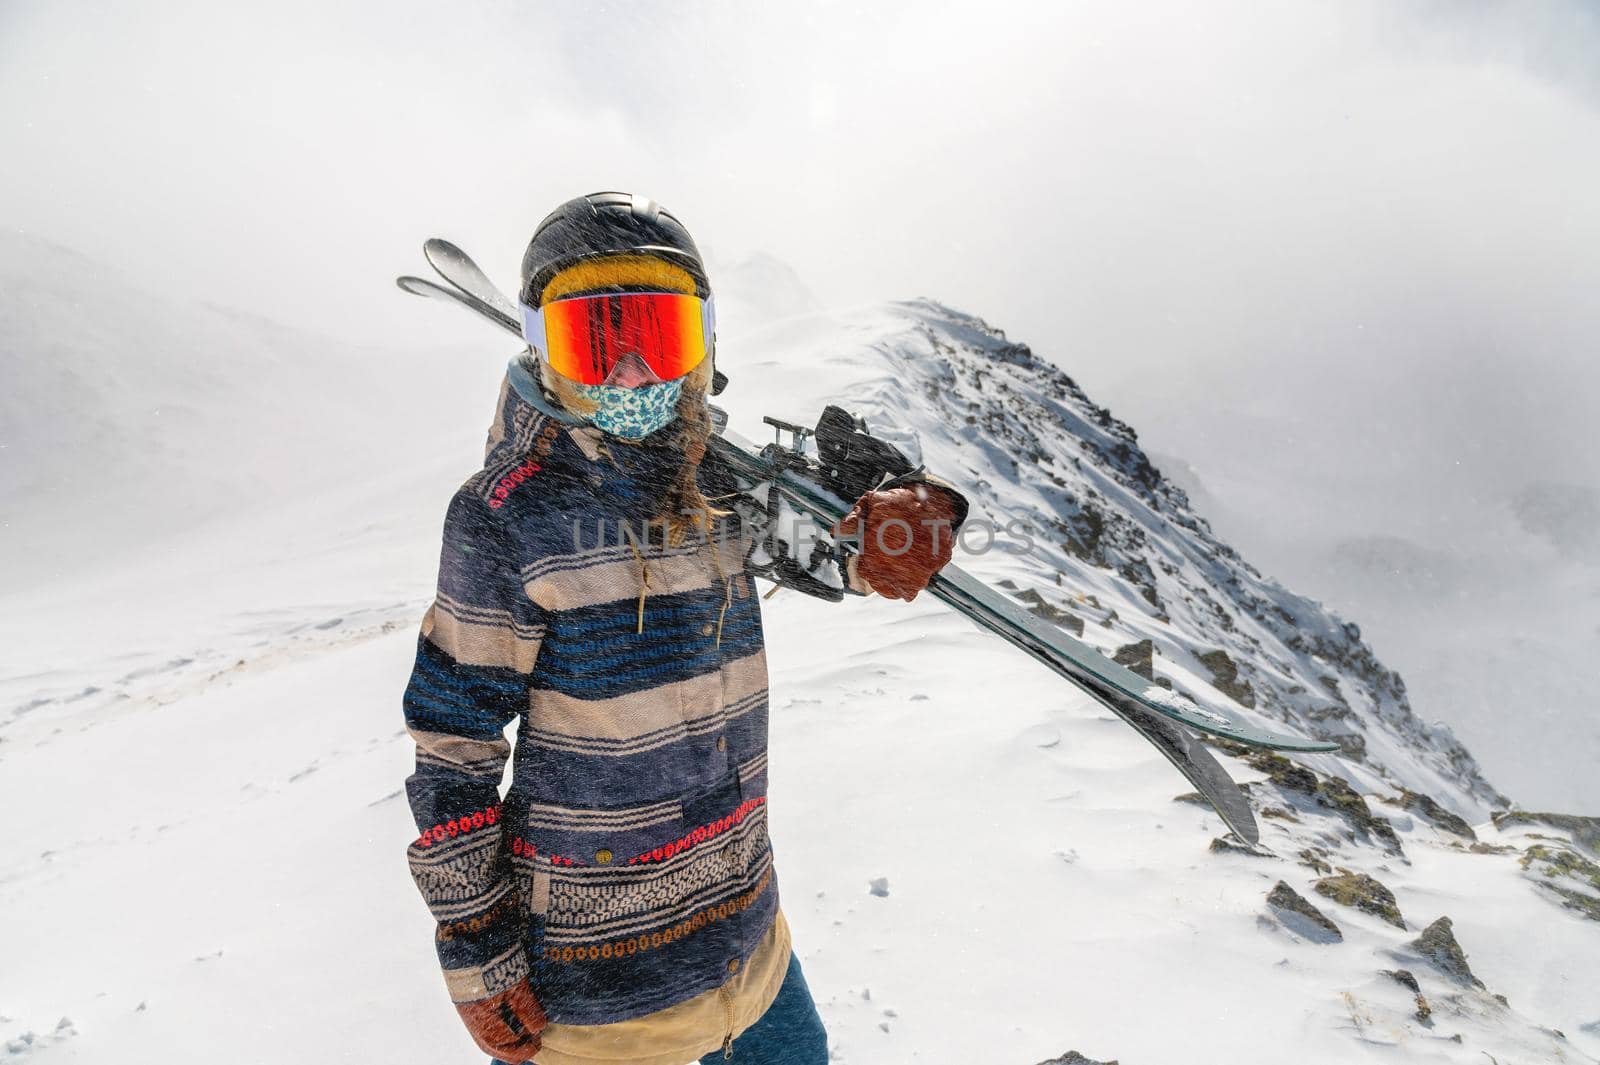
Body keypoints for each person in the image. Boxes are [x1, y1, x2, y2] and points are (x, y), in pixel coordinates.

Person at [401, 191, 967, 1065]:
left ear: (703, 348)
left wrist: (899, 518)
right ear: (543, 353)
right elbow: (453, 751)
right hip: (601, 1007)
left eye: (656, 339)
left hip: (752, 951)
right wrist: (478, 949)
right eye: (595, 341)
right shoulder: (507, 519)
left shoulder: (717, 489)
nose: (632, 375)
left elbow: (837, 555)